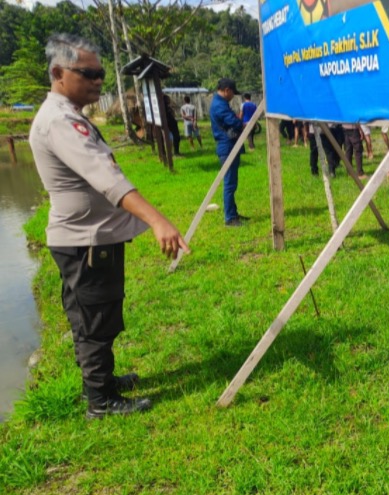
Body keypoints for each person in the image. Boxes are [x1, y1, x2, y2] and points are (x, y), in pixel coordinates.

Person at [29, 33, 190, 419]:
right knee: (94, 320)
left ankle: (103, 381)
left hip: (86, 237)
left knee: (95, 315)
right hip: (84, 241)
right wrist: (158, 220)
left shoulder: (68, 116)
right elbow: (108, 180)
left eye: (101, 73)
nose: (98, 81)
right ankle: (100, 401)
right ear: (58, 72)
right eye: (88, 73)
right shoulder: (61, 122)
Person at [210, 78, 248, 226]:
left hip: (228, 146)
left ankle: (233, 213)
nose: (233, 96)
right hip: (227, 147)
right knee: (229, 184)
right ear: (226, 90)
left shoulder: (220, 103)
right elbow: (234, 122)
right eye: (232, 93)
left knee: (232, 183)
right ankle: (230, 218)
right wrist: (240, 124)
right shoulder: (219, 105)